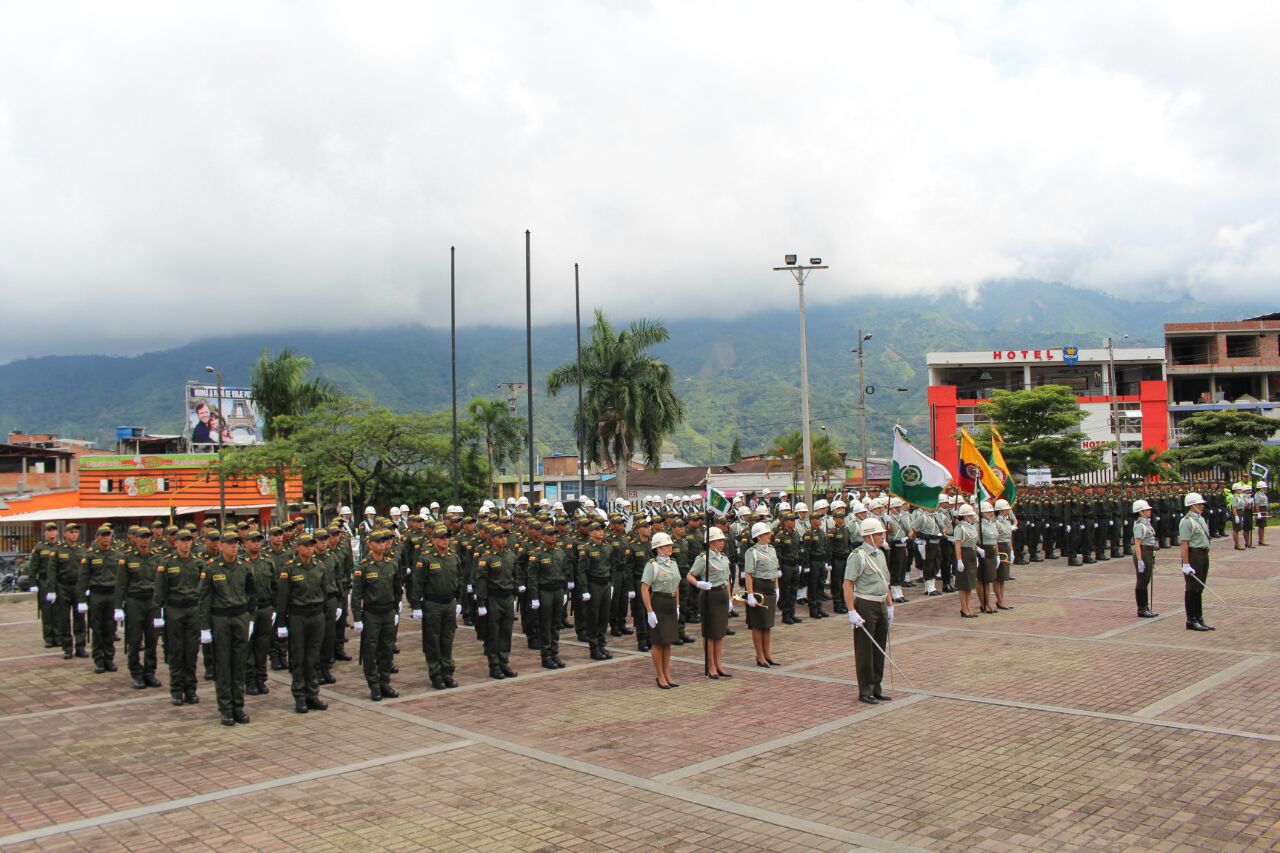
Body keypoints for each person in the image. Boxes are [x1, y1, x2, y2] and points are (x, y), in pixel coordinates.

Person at [196, 530, 255, 725]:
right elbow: (203, 599)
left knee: (239, 664)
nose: (234, 546)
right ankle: (225, 708)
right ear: (220, 546)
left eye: (236, 543)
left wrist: (251, 618)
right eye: (229, 543)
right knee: (223, 665)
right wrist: (204, 627)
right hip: (220, 618)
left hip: (240, 617)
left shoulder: (244, 567)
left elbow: (251, 594)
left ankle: (238, 706)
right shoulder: (212, 568)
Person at [276, 533, 337, 713]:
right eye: (306, 545)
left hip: (316, 615)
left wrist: (325, 615)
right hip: (298, 616)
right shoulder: (289, 569)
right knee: (298, 657)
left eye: (311, 545)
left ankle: (312, 694)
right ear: (298, 548)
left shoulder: (319, 567)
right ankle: (299, 695)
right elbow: (283, 598)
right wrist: (281, 623)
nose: (309, 548)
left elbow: (324, 592)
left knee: (313, 656)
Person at [844, 516, 893, 704]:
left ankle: (877, 687)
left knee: (879, 647)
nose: (882, 536)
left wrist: (890, 605)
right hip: (865, 604)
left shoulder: (880, 554)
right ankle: (865, 690)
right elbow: (847, 584)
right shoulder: (858, 556)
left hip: (880, 603)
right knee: (865, 649)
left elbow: (884, 581)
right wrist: (851, 611)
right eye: (879, 534)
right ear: (869, 536)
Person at [153, 528, 204, 705]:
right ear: (176, 543)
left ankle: (190, 689)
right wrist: (158, 612)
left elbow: (203, 589)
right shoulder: (166, 562)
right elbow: (160, 589)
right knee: (176, 651)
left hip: (192, 610)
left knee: (191, 651)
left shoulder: (198, 562)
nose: (186, 543)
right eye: (182, 540)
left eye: (188, 540)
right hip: (174, 610)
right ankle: (176, 690)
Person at [352, 529, 403, 700]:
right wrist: (357, 618)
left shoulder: (391, 564)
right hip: (372, 613)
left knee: (387, 649)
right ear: (370, 544)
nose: (383, 544)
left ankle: (385, 682)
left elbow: (397, 589)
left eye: (384, 541)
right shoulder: (363, 567)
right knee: (370, 650)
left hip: (388, 612)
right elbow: (357, 595)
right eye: (379, 541)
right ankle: (374, 685)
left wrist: (396, 610)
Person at [410, 524, 462, 691]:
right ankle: (436, 674)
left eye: (447, 537)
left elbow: (458, 579)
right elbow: (418, 583)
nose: (446, 540)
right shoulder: (426, 558)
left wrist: (459, 600)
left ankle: (447, 672)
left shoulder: (453, 557)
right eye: (442, 537)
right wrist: (416, 605)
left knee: (447, 639)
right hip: (433, 603)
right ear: (433, 540)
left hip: (449, 602)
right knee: (433, 640)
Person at [114, 526, 163, 689]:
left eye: (147, 536)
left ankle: (150, 672)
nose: (144, 539)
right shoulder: (127, 558)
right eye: (141, 536)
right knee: (134, 640)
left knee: (152, 639)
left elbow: (162, 584)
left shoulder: (157, 558)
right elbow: (121, 584)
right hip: (134, 602)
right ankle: (136, 672)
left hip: (152, 602)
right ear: (135, 538)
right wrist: (118, 607)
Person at [77, 524, 125, 674]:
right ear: (97, 537)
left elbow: (123, 579)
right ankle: (98, 659)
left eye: (108, 535)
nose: (105, 538)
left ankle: (109, 658)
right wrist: (82, 600)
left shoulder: (118, 555)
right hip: (96, 594)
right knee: (97, 628)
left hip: (112, 594)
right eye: (102, 535)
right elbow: (83, 579)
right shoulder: (90, 556)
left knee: (110, 629)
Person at [474, 523, 519, 680]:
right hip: (493, 598)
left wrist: (515, 595)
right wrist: (480, 603)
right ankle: (494, 665)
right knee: (493, 633)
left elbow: (514, 575)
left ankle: (503, 662)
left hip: (507, 597)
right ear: (492, 539)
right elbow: (481, 581)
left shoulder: (510, 555)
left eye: (505, 536)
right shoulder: (487, 557)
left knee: (506, 631)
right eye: (500, 537)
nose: (504, 539)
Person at [687, 525, 732, 679]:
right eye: (719, 540)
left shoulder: (724, 558)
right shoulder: (703, 558)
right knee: (710, 633)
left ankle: (719, 664)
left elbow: (727, 580)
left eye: (722, 540)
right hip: (709, 596)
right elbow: (690, 575)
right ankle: (711, 665)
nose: (722, 543)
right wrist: (699, 584)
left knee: (719, 633)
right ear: (711, 542)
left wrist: (730, 597)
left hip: (722, 595)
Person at [641, 531, 681, 689]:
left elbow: (676, 585)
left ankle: (667, 673)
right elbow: (644, 589)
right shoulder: (652, 565)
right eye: (666, 545)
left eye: (670, 544)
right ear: (658, 548)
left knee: (668, 641)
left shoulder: (674, 563)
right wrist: (650, 611)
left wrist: (677, 605)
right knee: (658, 642)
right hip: (658, 603)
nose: (670, 547)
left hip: (671, 604)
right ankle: (660, 675)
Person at [242, 529, 276, 696]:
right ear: (245, 543)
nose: (256, 543)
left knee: (263, 645)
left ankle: (261, 678)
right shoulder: (241, 563)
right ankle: (249, 680)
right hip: (248, 611)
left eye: (258, 540)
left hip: (265, 607)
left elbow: (274, 586)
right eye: (253, 540)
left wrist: (275, 608)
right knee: (248, 645)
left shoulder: (267, 562)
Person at [46, 524, 88, 659]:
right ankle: (67, 648)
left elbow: (88, 570)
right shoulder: (58, 550)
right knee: (63, 619)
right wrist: (52, 589)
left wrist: (88, 587)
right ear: (65, 534)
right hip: (63, 587)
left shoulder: (83, 550)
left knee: (80, 619)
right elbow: (51, 571)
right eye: (71, 532)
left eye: (76, 532)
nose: (74, 535)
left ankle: (80, 647)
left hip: (78, 588)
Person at [576, 521, 614, 661]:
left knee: (604, 617)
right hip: (594, 585)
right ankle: (594, 648)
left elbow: (612, 566)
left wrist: (612, 584)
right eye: (597, 530)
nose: (601, 532)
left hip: (605, 584)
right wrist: (585, 590)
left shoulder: (608, 547)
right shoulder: (587, 549)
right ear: (591, 533)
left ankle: (602, 645)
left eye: (602, 529)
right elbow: (582, 572)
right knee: (593, 617)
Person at [743, 521, 780, 667]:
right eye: (765, 533)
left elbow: (775, 571)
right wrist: (750, 595)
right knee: (758, 624)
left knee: (768, 623)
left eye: (768, 532)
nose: (769, 535)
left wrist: (777, 589)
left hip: (770, 587)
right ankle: (759, 656)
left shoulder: (772, 549)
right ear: (758, 536)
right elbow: (748, 575)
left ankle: (767, 654)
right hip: (758, 588)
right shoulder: (752, 552)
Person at [1179, 492, 1214, 631]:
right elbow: (1184, 544)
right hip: (1194, 554)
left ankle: (1199, 617)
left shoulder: (1200, 519)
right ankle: (1191, 619)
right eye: (1199, 504)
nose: (1202, 506)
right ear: (1192, 505)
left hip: (1203, 554)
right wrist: (1186, 564)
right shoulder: (1187, 521)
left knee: (1199, 587)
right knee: (1192, 587)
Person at [1131, 499, 1159, 618]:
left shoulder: (1146, 523)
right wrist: (1140, 560)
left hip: (1148, 552)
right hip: (1142, 552)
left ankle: (1145, 606)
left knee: (1146, 580)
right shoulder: (1140, 525)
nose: (1149, 511)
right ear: (1140, 512)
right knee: (1142, 581)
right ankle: (1141, 608)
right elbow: (1137, 543)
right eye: (1146, 510)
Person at [952, 503, 980, 618]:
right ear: (964, 516)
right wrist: (959, 560)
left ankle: (969, 606)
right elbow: (958, 544)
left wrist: (978, 552)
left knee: (970, 584)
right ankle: (964, 608)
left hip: (971, 554)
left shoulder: (971, 526)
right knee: (964, 584)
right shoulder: (960, 527)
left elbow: (973, 543)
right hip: (963, 555)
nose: (972, 517)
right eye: (970, 515)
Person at [992, 498, 1015, 611]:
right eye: (1006, 509)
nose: (1008, 511)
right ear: (1000, 511)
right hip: (1000, 548)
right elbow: (995, 539)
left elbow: (1009, 537)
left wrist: (1012, 550)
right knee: (998, 576)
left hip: (1006, 547)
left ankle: (1001, 599)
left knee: (1004, 576)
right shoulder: (995, 522)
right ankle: (999, 600)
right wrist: (996, 554)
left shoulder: (1007, 521)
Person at [977, 501, 998, 614]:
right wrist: (978, 550)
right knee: (981, 579)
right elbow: (973, 540)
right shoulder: (978, 525)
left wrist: (997, 554)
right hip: (982, 551)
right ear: (983, 513)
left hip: (991, 551)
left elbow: (995, 540)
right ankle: (983, 603)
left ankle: (988, 602)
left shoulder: (993, 523)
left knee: (989, 579)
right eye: (988, 512)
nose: (991, 513)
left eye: (991, 511)